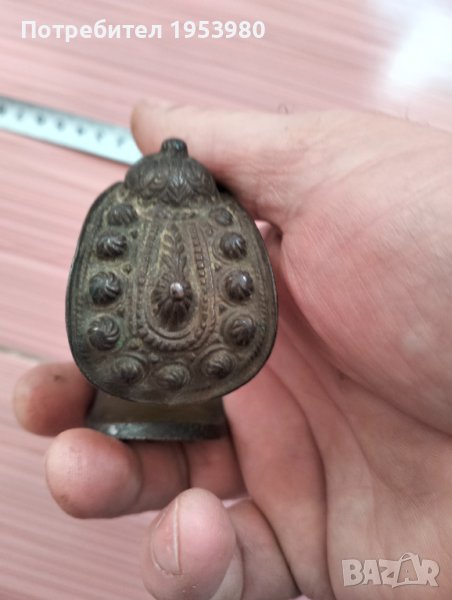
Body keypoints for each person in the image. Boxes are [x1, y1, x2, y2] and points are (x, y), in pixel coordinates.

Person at [13, 103, 452, 600]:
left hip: (207, 370)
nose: (178, 289)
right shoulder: (138, 210)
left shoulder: (198, 213)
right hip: (154, 369)